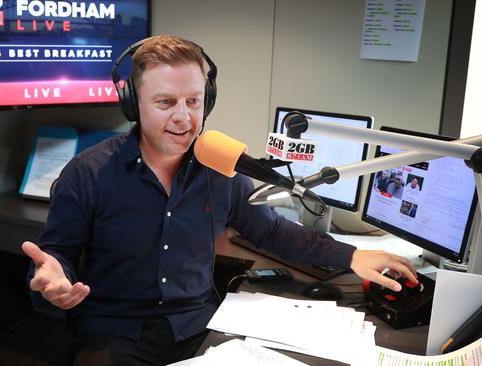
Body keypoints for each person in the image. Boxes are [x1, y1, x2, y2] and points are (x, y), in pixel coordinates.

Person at [21, 35, 417, 366]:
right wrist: (55, 277)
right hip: (115, 330)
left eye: (194, 101)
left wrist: (351, 256)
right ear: (132, 103)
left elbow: (272, 232)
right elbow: (58, 254)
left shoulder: (220, 169)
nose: (184, 118)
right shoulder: (87, 173)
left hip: (199, 325)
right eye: (165, 102)